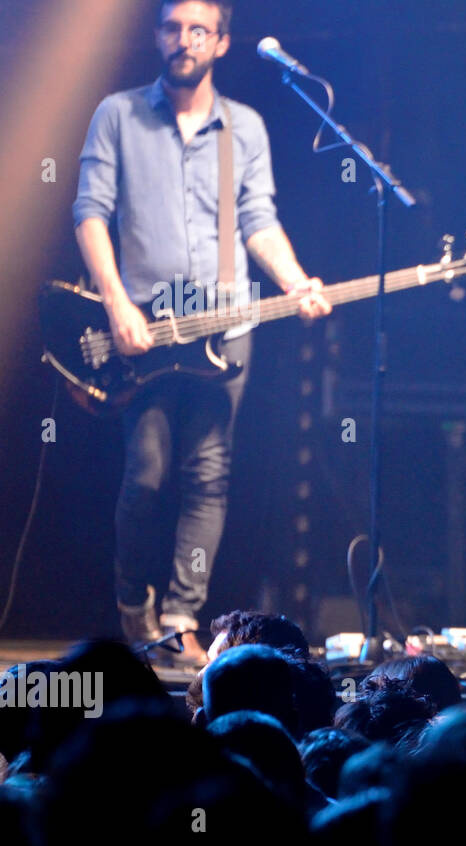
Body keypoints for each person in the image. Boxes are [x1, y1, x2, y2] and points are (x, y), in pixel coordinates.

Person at [72, 1, 331, 667]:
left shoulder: (242, 127)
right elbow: (91, 213)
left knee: (209, 475)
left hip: (227, 321)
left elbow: (258, 218)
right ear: (158, 36)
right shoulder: (118, 114)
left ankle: (182, 617)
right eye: (170, 27)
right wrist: (115, 305)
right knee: (148, 474)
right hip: (146, 324)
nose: (182, 40)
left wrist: (296, 279)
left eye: (198, 30)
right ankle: (136, 606)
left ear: (221, 42)